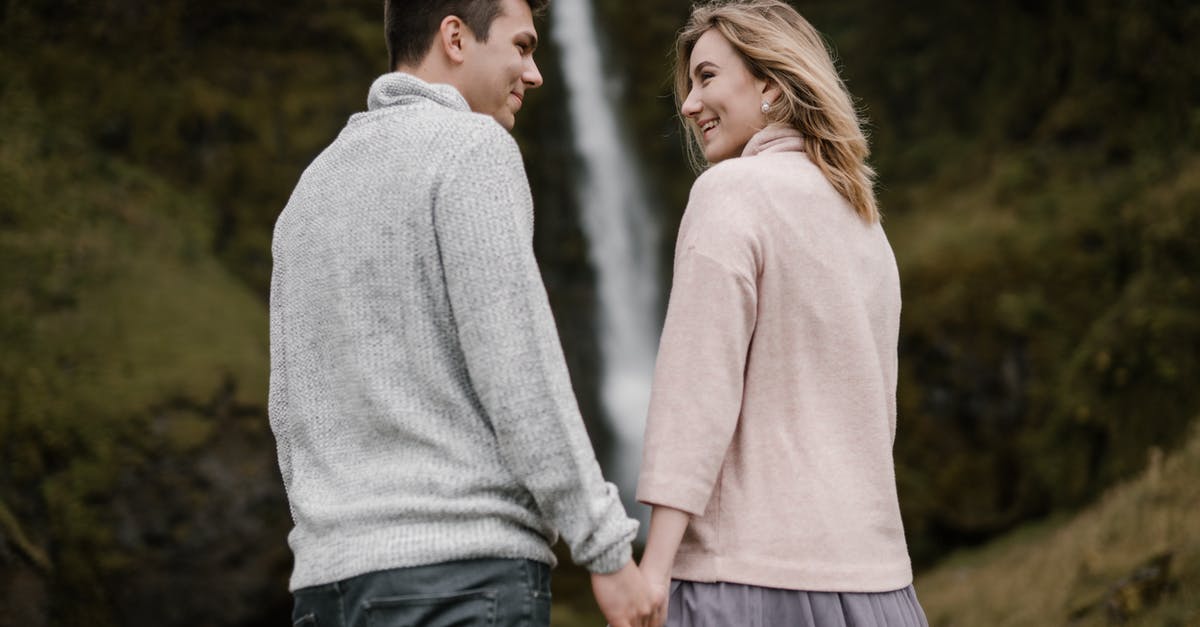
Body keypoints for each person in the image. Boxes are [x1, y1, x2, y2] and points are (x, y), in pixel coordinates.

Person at [267, 1, 657, 625]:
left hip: (327, 588)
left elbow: (288, 412)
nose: (534, 75)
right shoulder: (473, 149)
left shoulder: (309, 191)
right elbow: (519, 371)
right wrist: (607, 551)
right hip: (461, 582)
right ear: (455, 37)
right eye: (522, 47)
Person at [635, 1, 930, 625]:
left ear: (769, 82)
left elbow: (696, 396)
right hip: (881, 591)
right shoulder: (865, 222)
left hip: (748, 581)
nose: (688, 104)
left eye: (707, 77)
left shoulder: (729, 194)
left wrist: (652, 573)